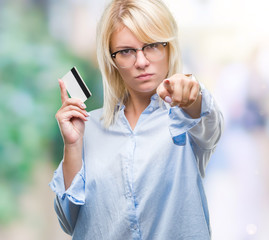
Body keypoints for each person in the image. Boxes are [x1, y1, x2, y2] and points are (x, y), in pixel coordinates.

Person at [49, 0, 223, 239]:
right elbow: (69, 222)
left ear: (169, 47)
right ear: (112, 60)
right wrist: (72, 146)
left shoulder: (186, 119)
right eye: (126, 51)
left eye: (151, 46)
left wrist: (192, 95)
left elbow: (209, 122)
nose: (141, 62)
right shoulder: (88, 127)